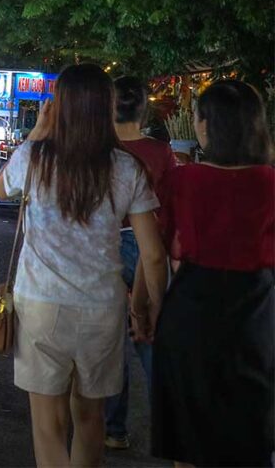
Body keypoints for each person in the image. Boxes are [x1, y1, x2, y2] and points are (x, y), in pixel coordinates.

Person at [0, 64, 168, 468]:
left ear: (61, 107)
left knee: (48, 426)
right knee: (90, 421)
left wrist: (38, 131)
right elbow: (153, 253)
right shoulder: (127, 168)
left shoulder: (35, 157)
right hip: (102, 309)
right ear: (106, 107)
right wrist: (150, 308)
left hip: (40, 305)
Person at [148, 80, 273, 467]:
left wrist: (145, 308)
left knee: (188, 438)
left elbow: (166, 249)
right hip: (258, 317)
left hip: (191, 314)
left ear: (203, 125)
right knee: (250, 436)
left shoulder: (183, 181)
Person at [104, 77, 178, 450]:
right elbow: (168, 210)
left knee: (112, 346)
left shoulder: (100, 151)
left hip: (107, 248)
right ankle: (169, 429)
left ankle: (114, 430)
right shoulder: (162, 152)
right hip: (149, 247)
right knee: (151, 340)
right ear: (142, 108)